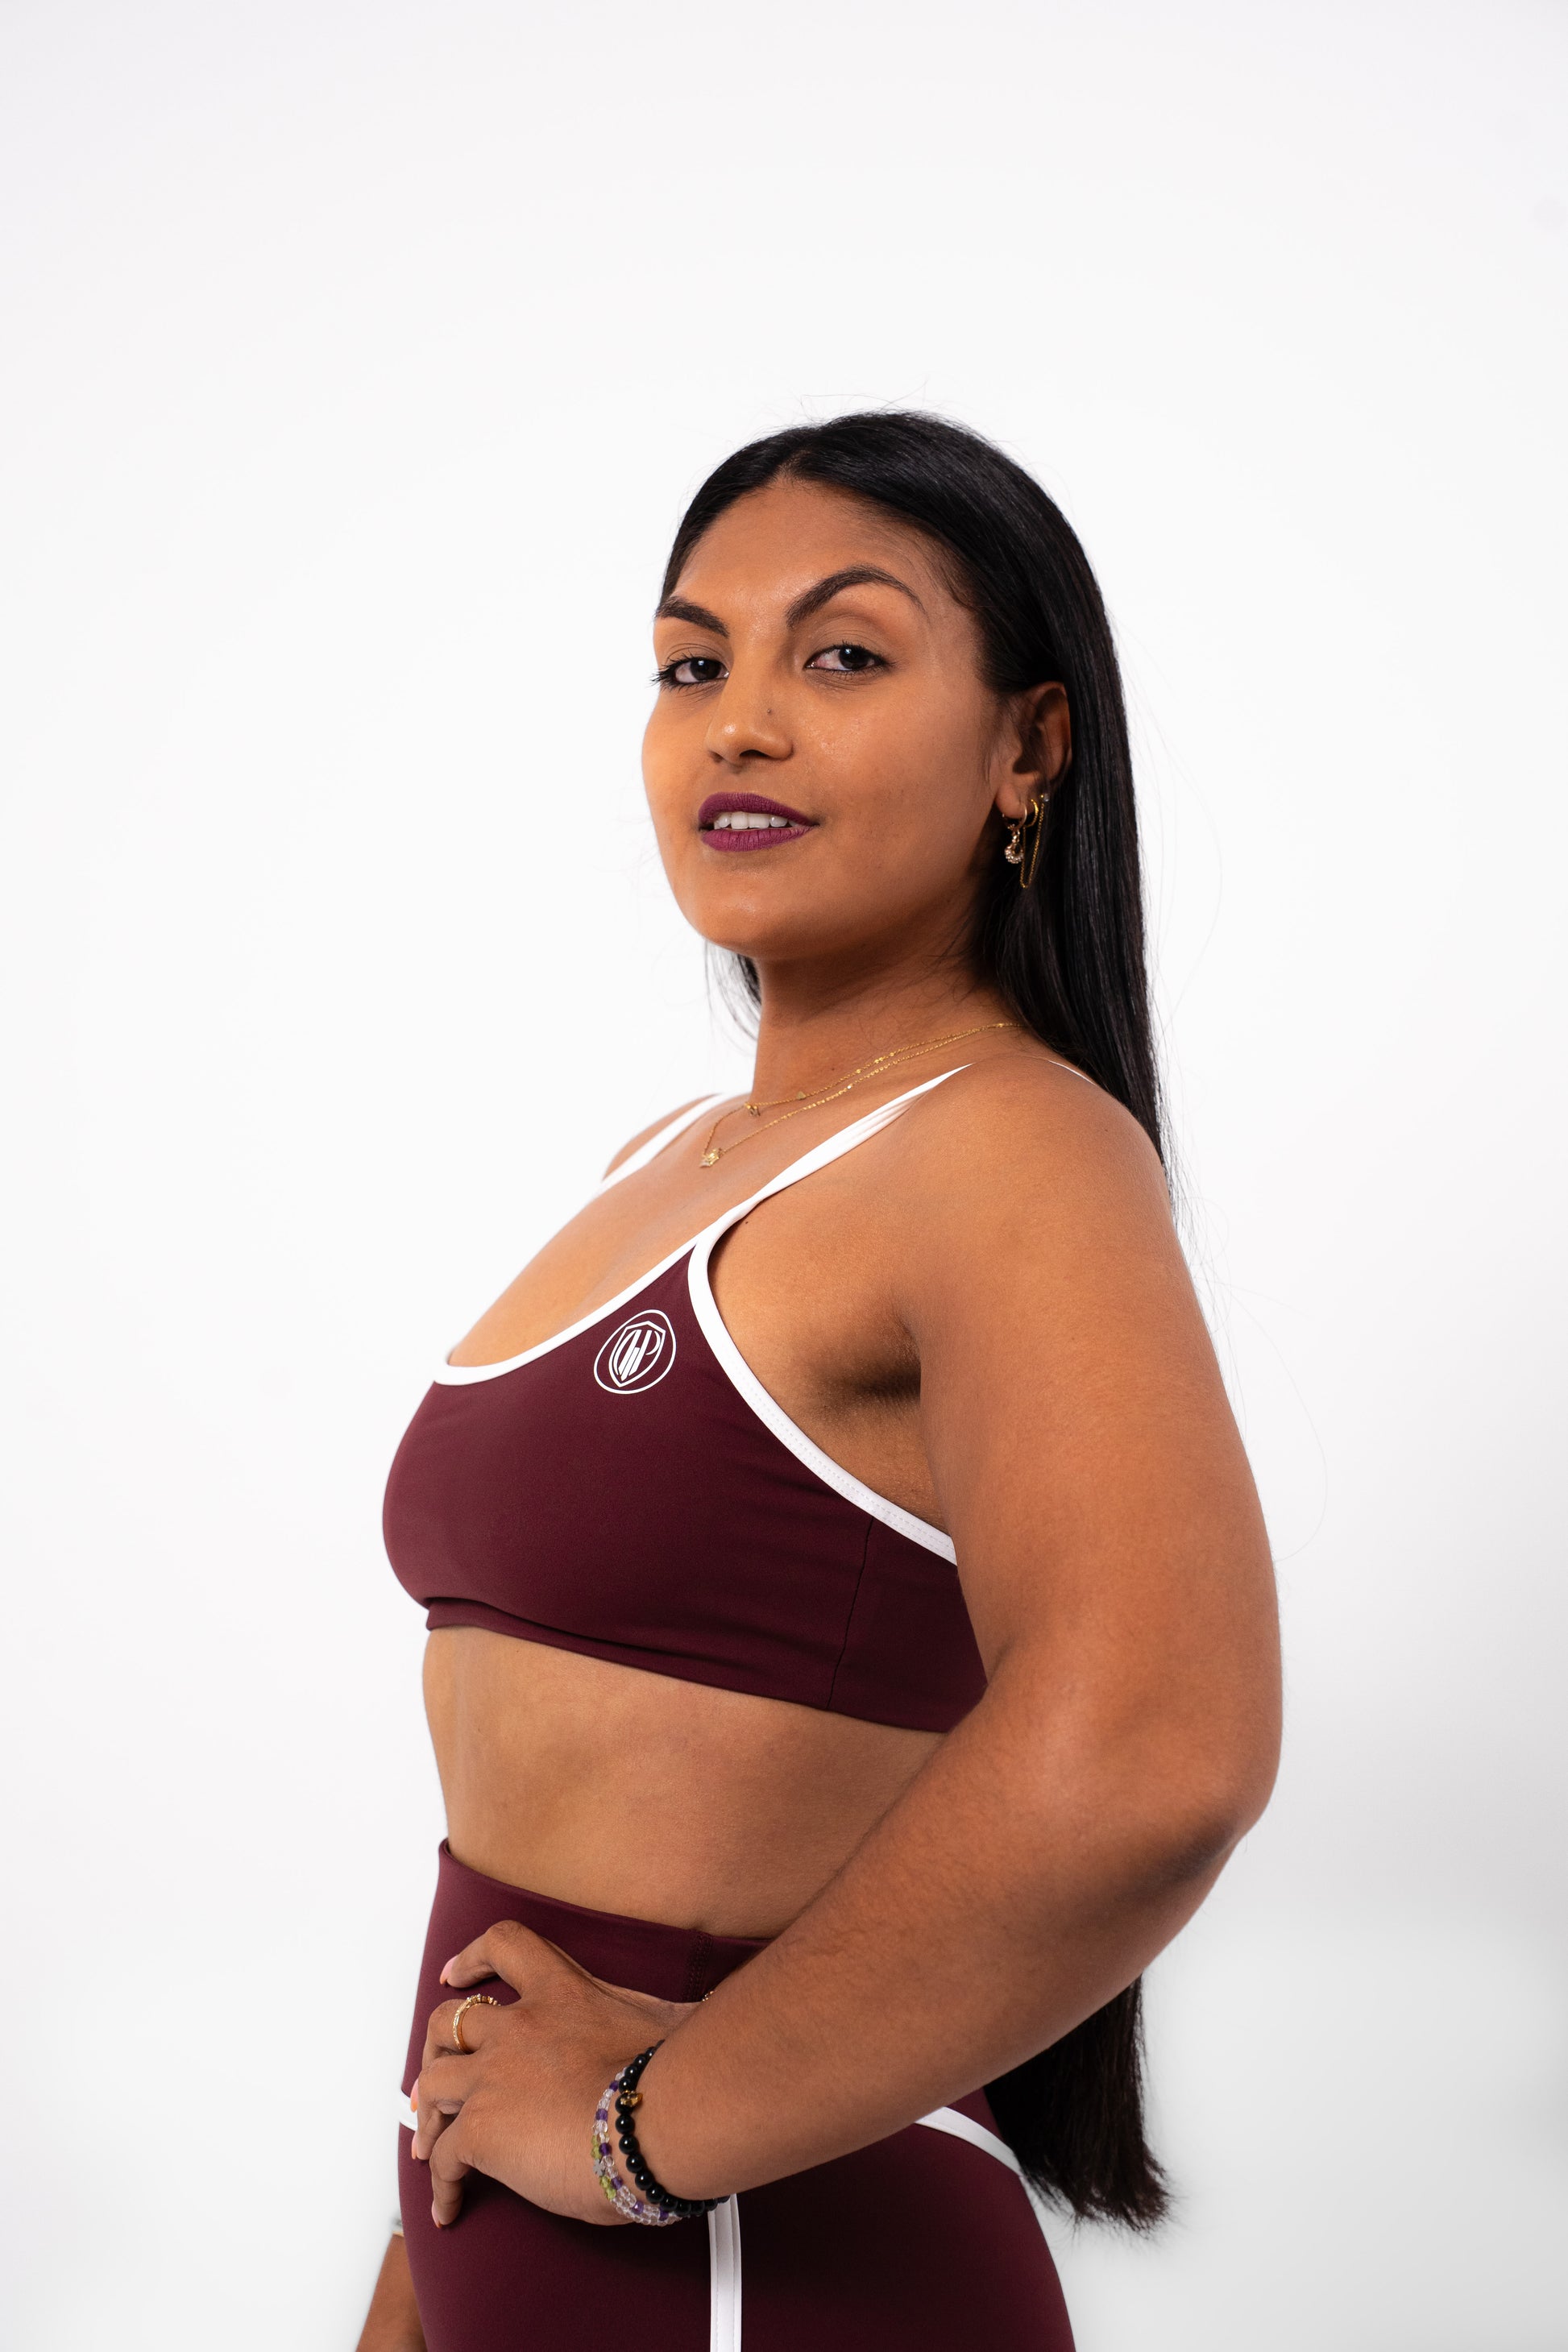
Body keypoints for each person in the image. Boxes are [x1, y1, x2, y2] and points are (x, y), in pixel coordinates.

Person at [357, 411, 1280, 2351]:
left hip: (773, 2276)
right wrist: (423, 2277)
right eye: (692, 664)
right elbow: (525, 1900)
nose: (743, 723)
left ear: (1028, 746)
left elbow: (1155, 1747)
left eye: (842, 653)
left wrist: (632, 2132)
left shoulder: (1011, 1149)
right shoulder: (663, 1163)